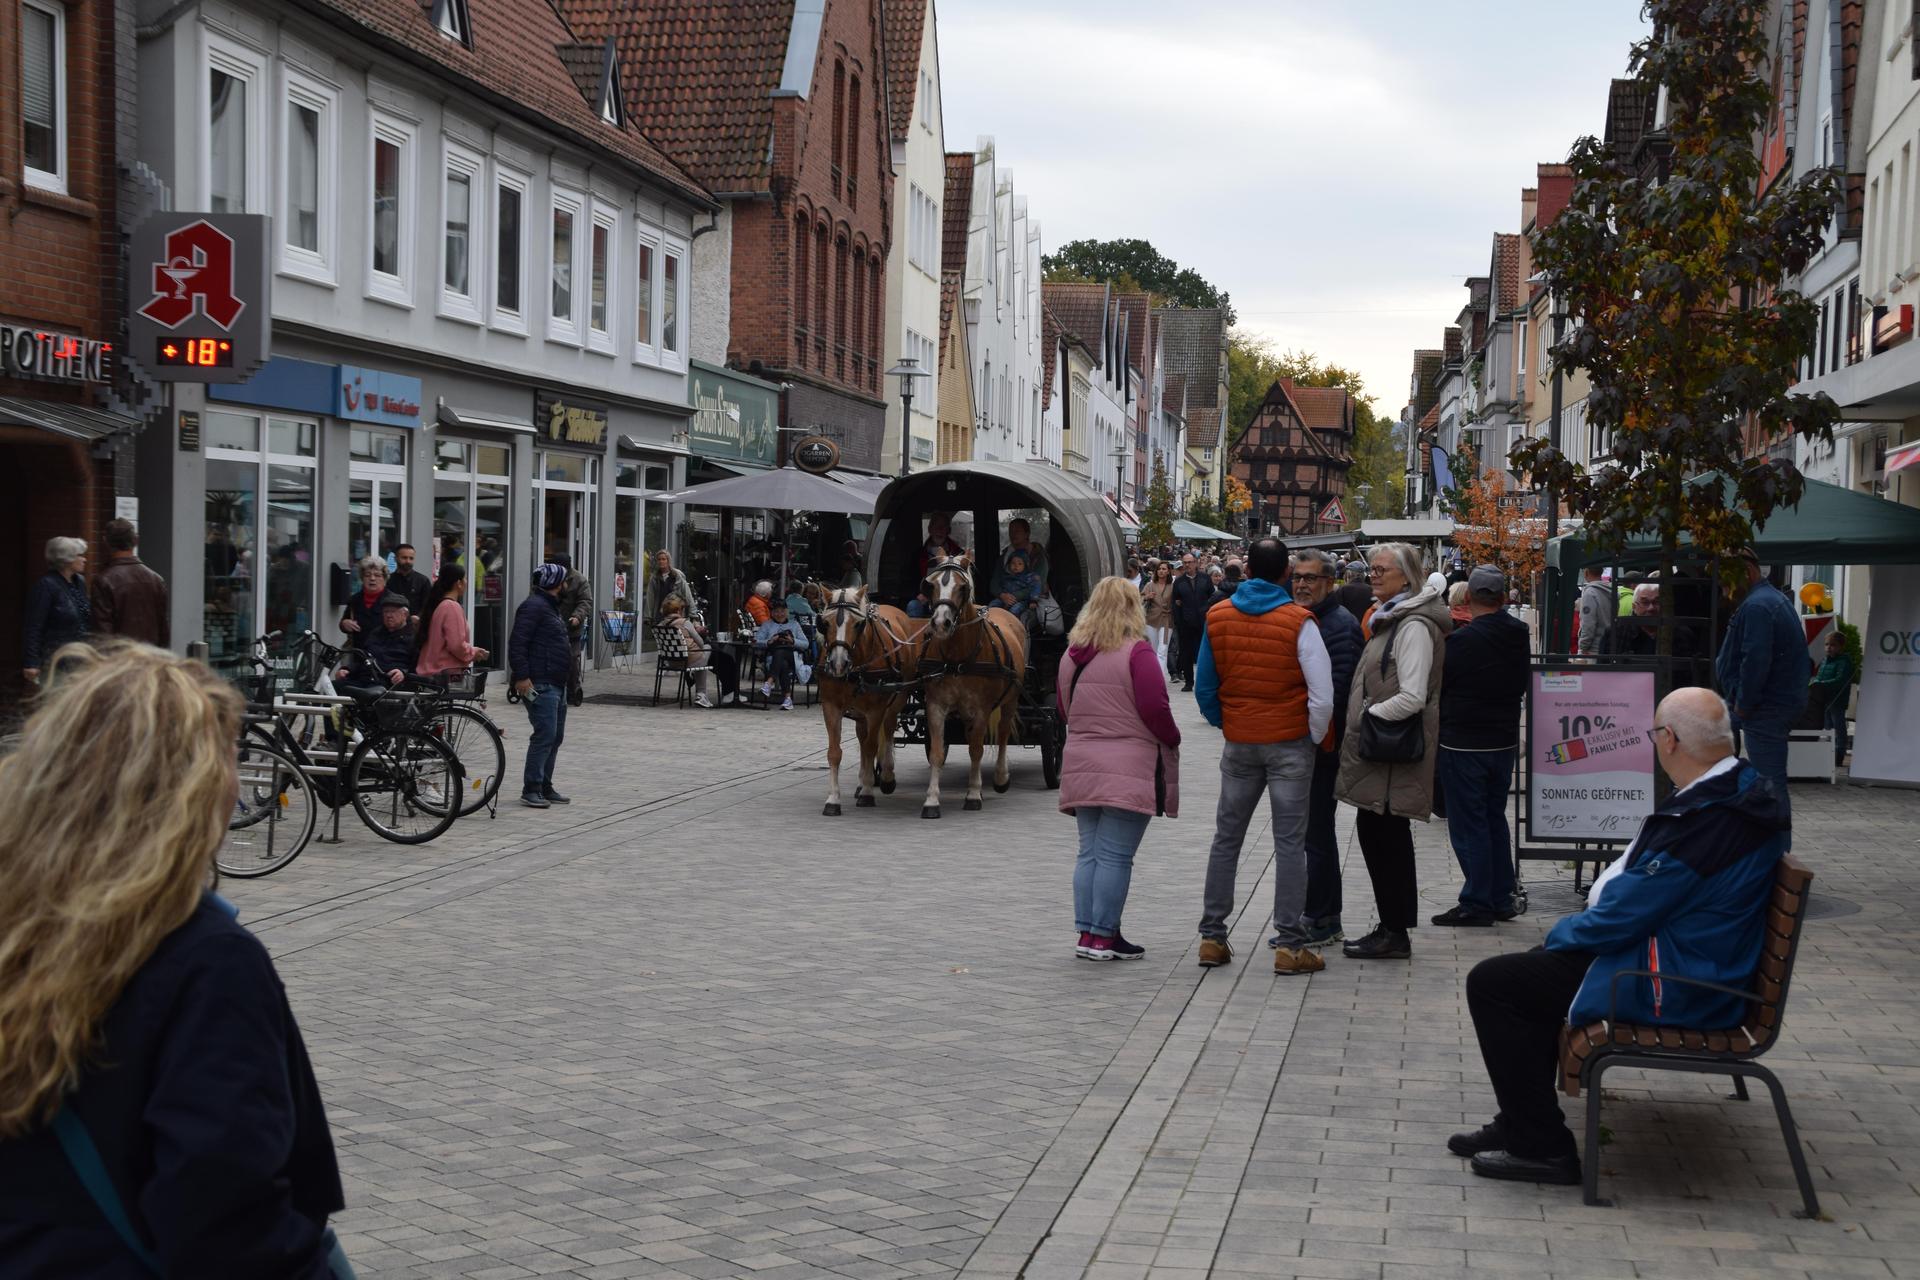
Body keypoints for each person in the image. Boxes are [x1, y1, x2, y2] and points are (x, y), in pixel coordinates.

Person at [0, 644, 347, 1271]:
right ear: (193, 791)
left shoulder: (17, 925)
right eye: (230, 763)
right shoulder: (205, 963)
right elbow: (224, 1215)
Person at [1453, 688, 1788, 1185]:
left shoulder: (1712, 819)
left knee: (1495, 984)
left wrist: (1561, 933)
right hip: (1692, 960)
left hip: (1676, 981)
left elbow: (1622, 917)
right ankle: (1521, 1121)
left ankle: (1543, 1148)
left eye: (1656, 733)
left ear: (1669, 739)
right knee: (1526, 976)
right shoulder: (1734, 793)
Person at [1193, 538, 1335, 975]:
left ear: (1249, 569)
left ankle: (1213, 937)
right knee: (1290, 844)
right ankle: (1289, 945)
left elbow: (1203, 687)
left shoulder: (1218, 616)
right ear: (1286, 574)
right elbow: (1322, 695)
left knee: (1226, 837)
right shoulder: (1299, 622)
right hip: (1289, 742)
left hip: (1241, 742)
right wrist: (1310, 737)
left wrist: (1229, 723)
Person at [1335, 542, 1450, 960]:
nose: (1374, 575)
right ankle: (1390, 927)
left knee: (1387, 839)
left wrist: (1368, 715)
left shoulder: (1413, 625)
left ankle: (1394, 931)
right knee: (1380, 836)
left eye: (1383, 570)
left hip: (1393, 750)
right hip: (1383, 751)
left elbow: (1414, 695)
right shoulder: (1393, 618)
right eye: (1373, 570)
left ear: (1408, 576)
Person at [1057, 577, 1181, 962]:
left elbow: (1064, 709)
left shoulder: (1072, 655)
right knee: (1114, 856)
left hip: (1082, 762)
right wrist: (1173, 737)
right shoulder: (1137, 653)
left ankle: (1088, 933)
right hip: (1127, 766)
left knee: (1089, 853)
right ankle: (1104, 936)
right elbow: (1155, 709)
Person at [1433, 566, 1530, 927]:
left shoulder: (1461, 642)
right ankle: (1501, 895)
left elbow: (1441, 686)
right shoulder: (1519, 634)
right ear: (1503, 598)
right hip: (1503, 741)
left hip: (1464, 743)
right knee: (1493, 818)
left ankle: (1477, 901)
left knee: (1468, 823)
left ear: (1470, 599)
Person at [1289, 549, 1362, 946]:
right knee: (1312, 834)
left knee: (1316, 834)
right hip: (1307, 743)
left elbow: (1338, 691)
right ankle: (1323, 914)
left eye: (1310, 578)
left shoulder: (1338, 624)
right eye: (1297, 577)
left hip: (1322, 745)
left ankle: (1320, 917)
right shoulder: (1308, 619)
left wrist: (1316, 740)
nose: (1301, 584)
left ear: (1329, 583)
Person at [1715, 547, 1808, 807]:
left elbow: (1755, 661)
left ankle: (1775, 846)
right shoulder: (1769, 599)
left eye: (1726, 580)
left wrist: (1743, 705)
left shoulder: (1758, 606)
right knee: (1767, 782)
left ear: (1747, 572)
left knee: (1769, 786)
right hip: (1767, 706)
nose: (1723, 588)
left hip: (1764, 708)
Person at [511, 563, 574, 808]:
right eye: (565, 580)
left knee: (554, 736)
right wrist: (522, 676)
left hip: (556, 682)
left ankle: (545, 785)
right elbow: (518, 643)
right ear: (556, 583)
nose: (567, 585)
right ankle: (532, 788)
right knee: (544, 734)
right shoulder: (533, 607)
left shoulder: (549, 607)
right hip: (541, 681)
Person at [90, 519, 170, 649]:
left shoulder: (103, 581)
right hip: (151, 659)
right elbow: (163, 630)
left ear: (106, 542)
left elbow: (102, 634)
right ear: (136, 541)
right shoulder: (157, 580)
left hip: (121, 661)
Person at [23, 536, 91, 686]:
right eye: (80, 555)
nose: (84, 559)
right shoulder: (46, 586)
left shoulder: (79, 582)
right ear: (67, 559)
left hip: (79, 659)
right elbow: (34, 626)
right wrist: (31, 662)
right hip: (56, 661)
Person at [661, 596, 738, 707]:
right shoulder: (684, 623)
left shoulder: (661, 625)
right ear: (678, 610)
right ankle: (702, 694)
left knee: (715, 657)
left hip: (672, 662)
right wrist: (697, 630)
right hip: (691, 660)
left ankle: (697, 684)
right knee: (711, 649)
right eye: (682, 609)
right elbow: (700, 642)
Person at [415, 564, 490, 677]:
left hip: (434, 674)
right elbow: (456, 645)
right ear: (458, 583)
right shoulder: (451, 607)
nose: (466, 582)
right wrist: (473, 652)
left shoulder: (438, 605)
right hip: (446, 676)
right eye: (465, 578)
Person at [342, 592, 415, 686]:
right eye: (386, 611)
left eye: (393, 611)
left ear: (405, 614)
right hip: (365, 679)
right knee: (332, 687)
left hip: (390, 683)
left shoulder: (414, 638)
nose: (389, 615)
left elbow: (418, 669)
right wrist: (347, 669)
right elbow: (363, 658)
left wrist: (404, 673)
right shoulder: (376, 633)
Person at [753, 598, 812, 710]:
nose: (779, 614)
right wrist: (769, 641)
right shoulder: (767, 625)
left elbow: (806, 644)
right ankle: (787, 699)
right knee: (783, 663)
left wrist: (793, 640)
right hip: (773, 658)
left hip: (792, 657)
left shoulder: (794, 624)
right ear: (772, 613)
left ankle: (769, 683)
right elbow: (756, 641)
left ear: (787, 611)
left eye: (782, 611)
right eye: (776, 611)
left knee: (782, 653)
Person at [552, 554, 594, 707]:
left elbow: (585, 601)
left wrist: (577, 616)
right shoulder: (550, 576)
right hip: (552, 625)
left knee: (571, 659)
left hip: (571, 627)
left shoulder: (579, 580)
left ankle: (573, 689)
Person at [906, 513, 965, 618]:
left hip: (950, 599)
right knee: (913, 606)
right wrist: (918, 594)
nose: (939, 530)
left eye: (943, 527)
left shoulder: (958, 554)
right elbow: (909, 580)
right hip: (925, 599)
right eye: (936, 526)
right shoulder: (918, 555)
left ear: (948, 530)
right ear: (930, 529)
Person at [1809, 629, 1853, 766]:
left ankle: (1839, 754)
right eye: (1827, 644)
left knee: (1838, 727)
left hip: (1837, 701)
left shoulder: (1844, 662)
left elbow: (1840, 680)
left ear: (1841, 646)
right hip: (1824, 700)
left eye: (1833, 645)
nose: (1829, 647)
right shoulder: (1825, 661)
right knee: (1827, 728)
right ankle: (1829, 753)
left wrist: (1820, 684)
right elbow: (1820, 677)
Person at [1169, 552, 1210, 691]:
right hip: (1185, 623)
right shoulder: (1179, 582)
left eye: (1190, 562)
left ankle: (1204, 682)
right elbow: (1175, 602)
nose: (1187, 565)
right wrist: (1178, 621)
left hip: (1203, 621)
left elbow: (1211, 598)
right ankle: (1188, 681)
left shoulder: (1205, 578)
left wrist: (1207, 612)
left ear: (1196, 563)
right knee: (1186, 653)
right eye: (1185, 562)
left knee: (1203, 653)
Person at [993, 518, 1051, 607]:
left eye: (1017, 531)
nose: (1013, 534)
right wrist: (1002, 595)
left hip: (1033, 601)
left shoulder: (1039, 558)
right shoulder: (1004, 558)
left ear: (1027, 533)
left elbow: (1039, 583)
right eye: (1011, 531)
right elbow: (994, 583)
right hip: (1004, 599)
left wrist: (1013, 597)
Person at [339, 557, 390, 643]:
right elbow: (344, 622)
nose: (372, 578)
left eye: (377, 575)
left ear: (384, 579)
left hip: (385, 653)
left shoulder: (394, 601)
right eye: (367, 575)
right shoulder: (354, 600)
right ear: (362, 578)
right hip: (358, 652)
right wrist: (344, 624)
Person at [646, 550, 698, 623]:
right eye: (659, 559)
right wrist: (648, 617)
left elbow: (687, 595)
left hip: (676, 615)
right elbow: (650, 598)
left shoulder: (677, 576)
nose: (661, 561)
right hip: (660, 614)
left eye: (663, 559)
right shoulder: (655, 578)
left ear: (668, 561)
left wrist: (693, 614)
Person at [1575, 566, 1616, 656]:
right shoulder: (1613, 592)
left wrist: (1583, 647)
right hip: (1608, 647)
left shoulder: (1590, 593)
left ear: (1586, 572)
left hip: (1591, 649)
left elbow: (1588, 624)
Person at [1142, 562, 1175, 671]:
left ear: (1168, 571)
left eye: (1164, 569)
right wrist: (1147, 597)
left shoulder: (1173, 586)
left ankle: (1160, 678)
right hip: (1151, 620)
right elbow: (1139, 599)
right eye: (1159, 569)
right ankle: (1153, 674)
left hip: (1167, 620)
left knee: (1163, 650)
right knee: (1153, 649)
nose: (1161, 571)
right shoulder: (1150, 585)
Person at [991, 551, 1042, 621]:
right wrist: (1002, 595)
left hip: (1021, 601)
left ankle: (1011, 627)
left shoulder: (1030, 577)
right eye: (1013, 563)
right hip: (1004, 599)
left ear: (1025, 565)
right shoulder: (1006, 576)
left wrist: (1033, 600)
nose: (1016, 566)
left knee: (1014, 610)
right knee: (992, 606)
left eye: (1020, 564)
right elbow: (999, 586)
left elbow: (1035, 587)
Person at [389, 543, 431, 619]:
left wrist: (418, 618)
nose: (408, 561)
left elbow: (427, 606)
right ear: (395, 558)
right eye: (404, 558)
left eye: (411, 558)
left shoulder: (423, 581)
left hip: (414, 626)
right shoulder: (388, 580)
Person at [1335, 559, 1374, 627]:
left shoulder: (1343, 590)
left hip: (1348, 628)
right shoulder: (1371, 589)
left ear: (1349, 574)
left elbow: (1337, 611)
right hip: (1367, 627)